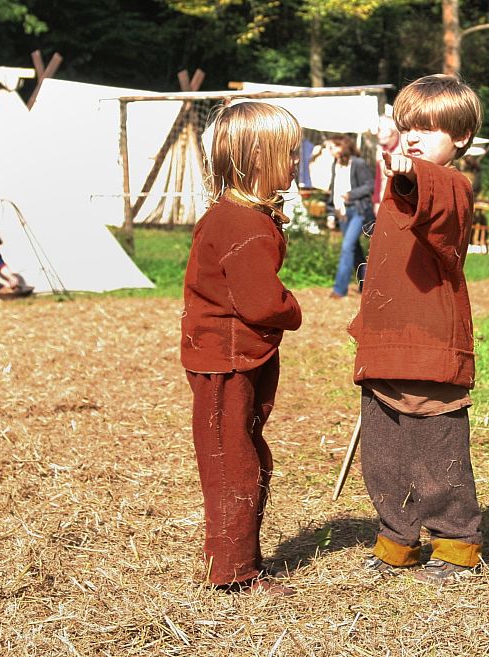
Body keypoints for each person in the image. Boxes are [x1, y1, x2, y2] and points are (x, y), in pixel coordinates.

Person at [349, 73, 484, 585]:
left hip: (429, 345)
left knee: (437, 455)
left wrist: (411, 174)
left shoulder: (450, 186)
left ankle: (455, 547)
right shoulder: (397, 192)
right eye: (407, 126)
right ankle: (397, 544)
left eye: (428, 128)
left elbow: (441, 202)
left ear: (462, 138)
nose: (413, 137)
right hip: (385, 346)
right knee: (383, 459)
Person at [179, 102, 303, 596]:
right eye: (290, 154)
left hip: (235, 355)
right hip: (226, 359)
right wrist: (291, 308)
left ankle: (237, 559)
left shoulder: (238, 216)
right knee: (234, 461)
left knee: (243, 452)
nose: (297, 163)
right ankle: (234, 571)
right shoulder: (242, 224)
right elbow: (261, 302)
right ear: (258, 157)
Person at [327, 134, 374, 299]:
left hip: (358, 211)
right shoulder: (336, 165)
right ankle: (367, 286)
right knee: (355, 251)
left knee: (347, 247)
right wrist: (332, 213)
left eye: (332, 147)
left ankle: (339, 290)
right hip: (343, 212)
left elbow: (370, 186)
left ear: (342, 146)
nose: (329, 150)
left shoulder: (358, 163)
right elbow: (334, 190)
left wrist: (351, 194)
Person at [373, 114, 401, 215]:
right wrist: (376, 202)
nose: (377, 133)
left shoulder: (404, 150)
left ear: (392, 131)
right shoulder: (380, 150)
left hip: (400, 205)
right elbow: (378, 179)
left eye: (380, 130)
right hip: (383, 200)